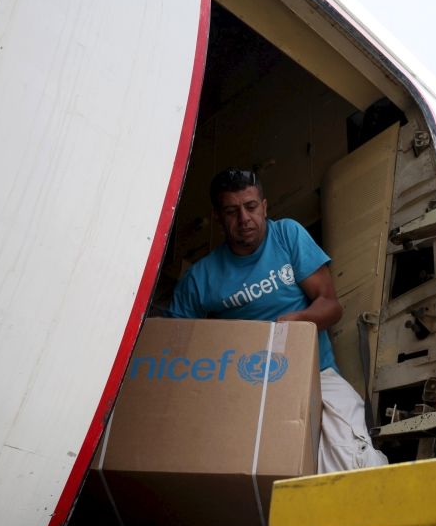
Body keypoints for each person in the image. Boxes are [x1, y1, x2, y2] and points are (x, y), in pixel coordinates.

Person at [166, 168, 388, 473]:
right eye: (232, 211)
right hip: (245, 386)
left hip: (314, 373)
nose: (244, 218)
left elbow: (331, 306)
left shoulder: (287, 235)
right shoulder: (199, 278)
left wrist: (300, 320)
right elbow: (173, 347)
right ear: (217, 217)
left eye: (251, 207)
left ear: (265, 206)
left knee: (358, 460)